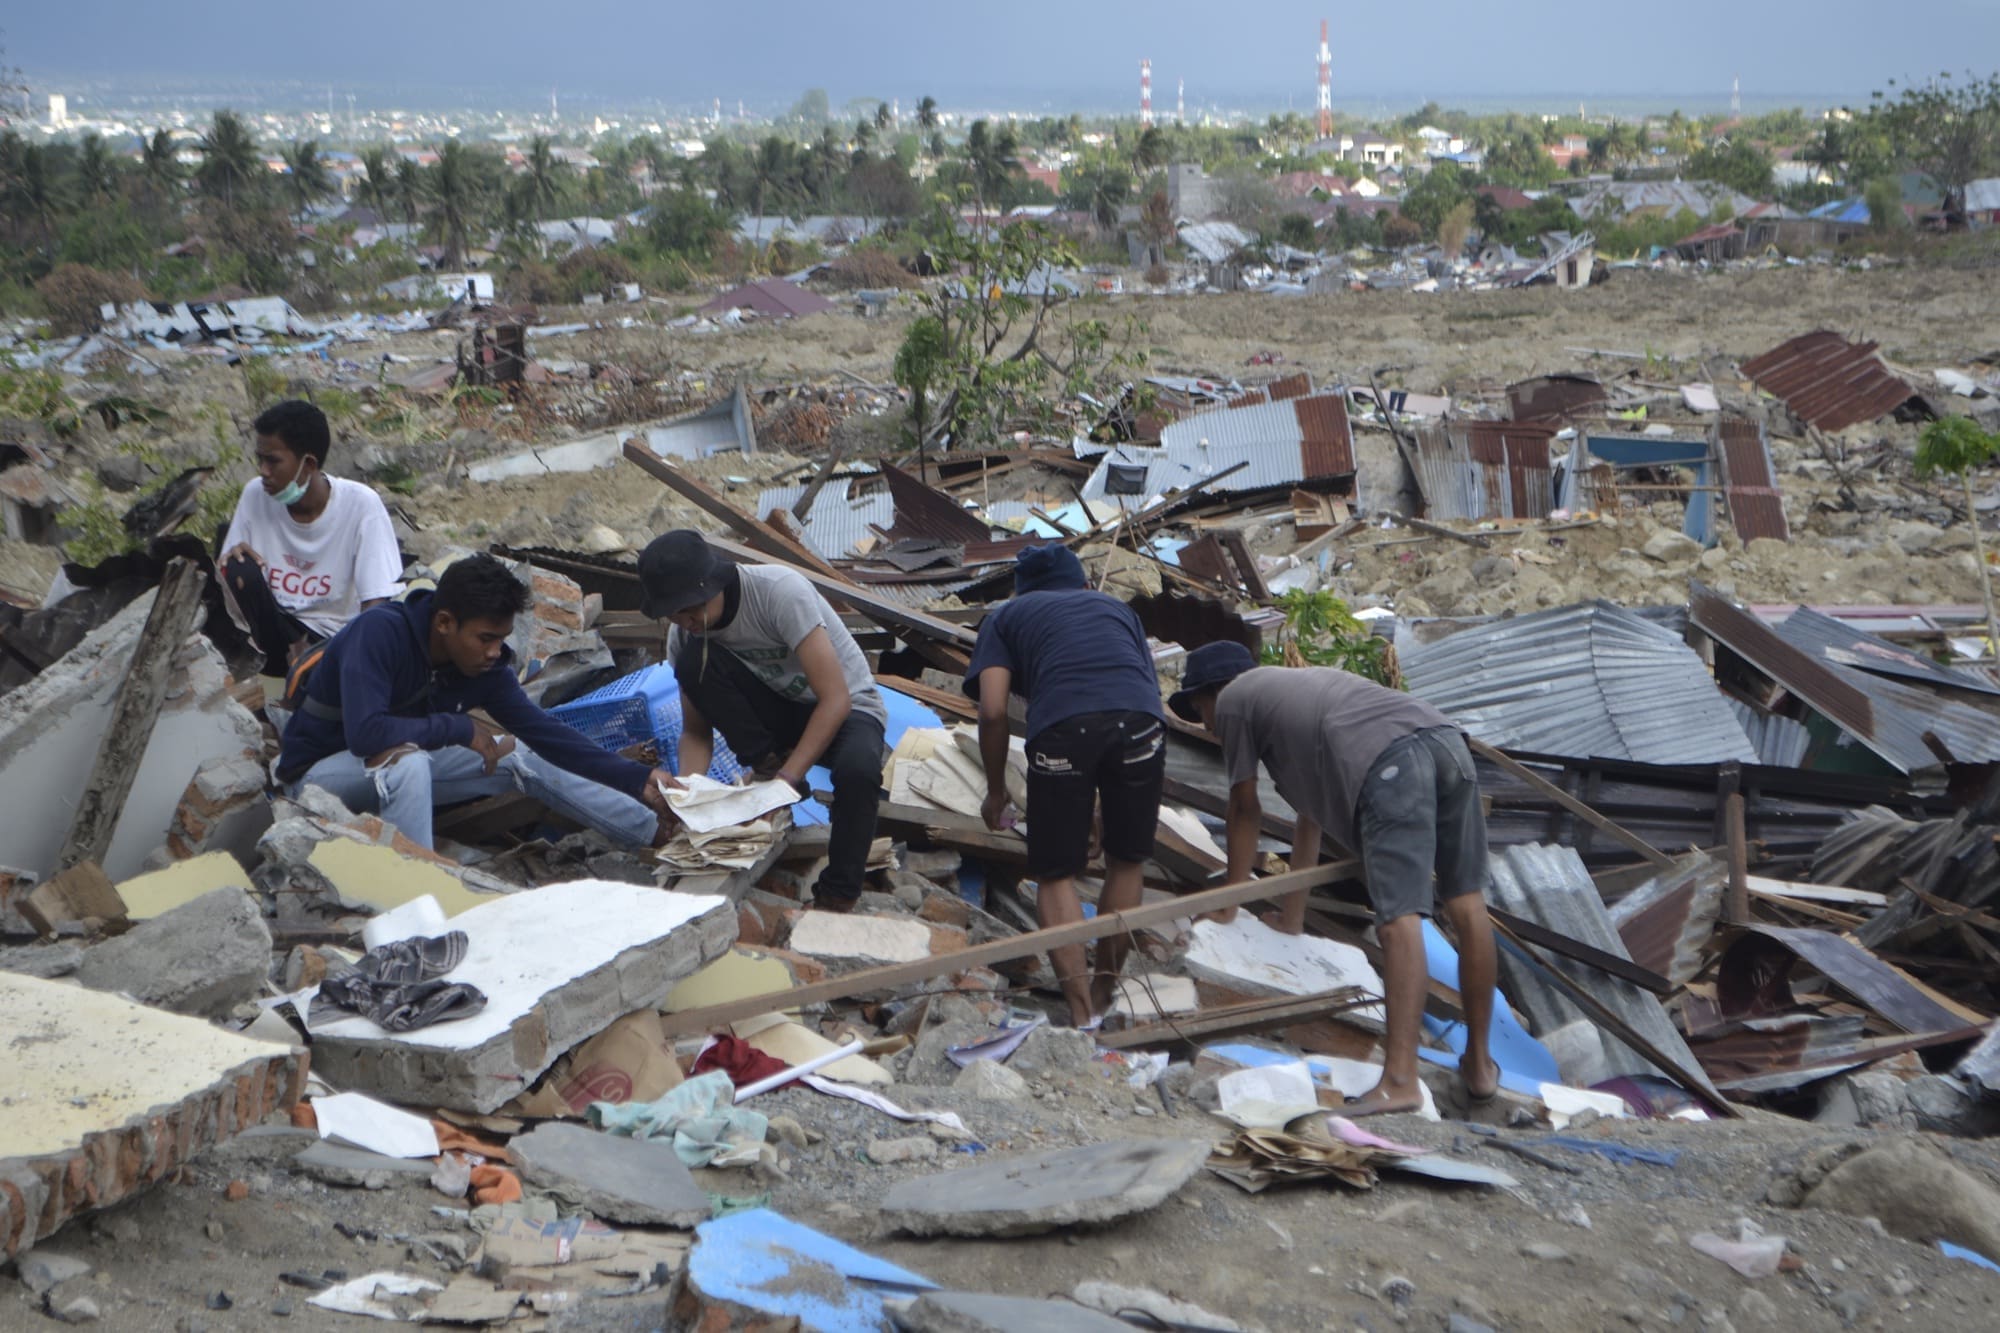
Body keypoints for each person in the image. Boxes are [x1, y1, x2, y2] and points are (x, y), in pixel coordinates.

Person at [1168, 641, 1500, 1117]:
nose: (1206, 726)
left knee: (1399, 919)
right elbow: (1310, 819)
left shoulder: (1238, 697)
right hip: (1446, 742)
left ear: (1214, 691)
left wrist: (1229, 903)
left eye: (1200, 711)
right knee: (1467, 905)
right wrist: (1294, 916)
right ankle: (1480, 1067)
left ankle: (1401, 1081)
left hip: (1393, 761)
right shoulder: (1298, 701)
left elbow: (1243, 807)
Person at [276, 553, 674, 851]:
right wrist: (459, 727)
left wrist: (636, 779)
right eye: (485, 638)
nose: (493, 652)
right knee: (407, 760)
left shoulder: (483, 669)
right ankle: (414, 903)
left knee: (521, 753)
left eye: (500, 639)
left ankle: (660, 836)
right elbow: (367, 735)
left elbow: (546, 733)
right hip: (318, 780)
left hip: (397, 775)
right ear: (445, 622)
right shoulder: (379, 634)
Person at [964, 544, 1165, 1027]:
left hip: (1063, 729)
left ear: (1022, 587)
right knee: (1126, 859)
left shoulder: (1006, 615)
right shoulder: (1117, 609)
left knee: (1055, 872)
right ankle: (1103, 992)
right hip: (1141, 724)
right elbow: (1134, 690)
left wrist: (996, 791)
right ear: (1082, 583)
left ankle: (1079, 1015)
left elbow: (992, 709)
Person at [637, 530, 887, 912]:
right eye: (673, 613)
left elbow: (835, 700)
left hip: (846, 706)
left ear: (716, 584)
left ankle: (838, 894)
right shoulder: (684, 635)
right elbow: (695, 731)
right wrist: (690, 794)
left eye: (690, 608)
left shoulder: (779, 592)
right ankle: (768, 764)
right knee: (695, 662)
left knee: (859, 772)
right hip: (777, 717)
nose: (684, 620)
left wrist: (785, 783)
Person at [218, 399, 404, 682]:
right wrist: (231, 559)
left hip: (332, 642)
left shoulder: (361, 505)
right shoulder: (255, 495)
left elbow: (376, 603)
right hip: (271, 632)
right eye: (260, 459)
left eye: (273, 461)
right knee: (237, 566)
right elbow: (228, 585)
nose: (263, 471)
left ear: (309, 464)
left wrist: (358, 658)